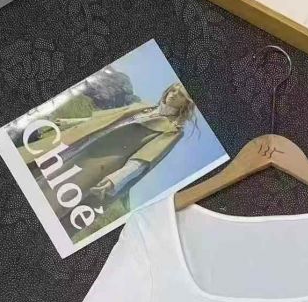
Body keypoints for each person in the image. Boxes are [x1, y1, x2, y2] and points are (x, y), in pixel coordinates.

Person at [17, 82, 196, 237]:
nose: (173, 94)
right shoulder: (145, 106)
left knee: (53, 196)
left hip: (97, 162)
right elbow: (102, 120)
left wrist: (115, 179)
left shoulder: (173, 130)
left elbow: (145, 158)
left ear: (186, 103)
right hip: (81, 141)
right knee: (34, 169)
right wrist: (69, 122)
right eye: (173, 89)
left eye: (180, 94)